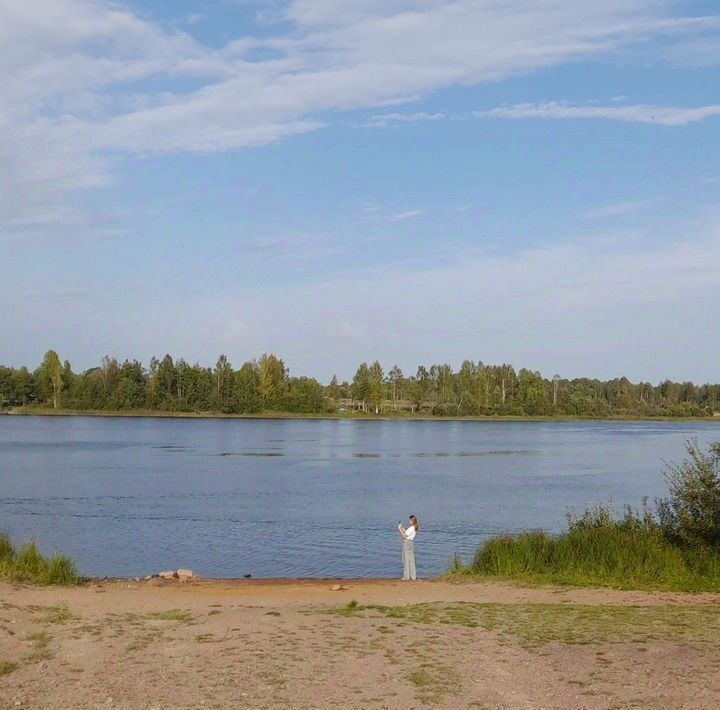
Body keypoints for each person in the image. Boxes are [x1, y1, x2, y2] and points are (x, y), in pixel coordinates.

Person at [397, 515, 419, 581]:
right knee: (411, 560)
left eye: (409, 520)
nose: (409, 521)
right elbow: (406, 533)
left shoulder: (411, 528)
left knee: (406, 560)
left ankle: (406, 577)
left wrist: (399, 529)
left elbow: (404, 536)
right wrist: (402, 527)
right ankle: (413, 576)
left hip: (407, 543)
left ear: (412, 520)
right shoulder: (414, 527)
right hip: (411, 543)